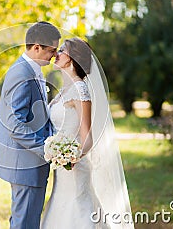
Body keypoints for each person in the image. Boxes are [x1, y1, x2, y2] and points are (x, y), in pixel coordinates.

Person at [41, 38, 134, 229]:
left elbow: (88, 138)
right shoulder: (64, 90)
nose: (56, 53)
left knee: (78, 213)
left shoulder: (80, 89)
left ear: (73, 58)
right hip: (61, 170)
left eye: (61, 50)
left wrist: (70, 157)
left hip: (75, 167)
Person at [0, 21, 61, 229]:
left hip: (25, 162)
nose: (55, 55)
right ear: (36, 47)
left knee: (23, 220)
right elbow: (14, 124)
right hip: (26, 163)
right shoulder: (22, 74)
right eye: (52, 50)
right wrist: (46, 150)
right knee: (25, 223)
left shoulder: (30, 69)